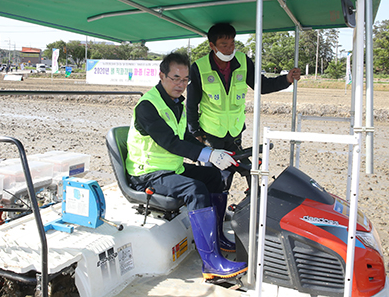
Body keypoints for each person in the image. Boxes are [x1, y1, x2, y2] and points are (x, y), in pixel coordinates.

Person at [126, 52, 247, 279]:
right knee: (195, 189)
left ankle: (218, 237)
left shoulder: (175, 103)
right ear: (161, 75)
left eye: (185, 80)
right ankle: (211, 264)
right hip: (147, 173)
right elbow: (170, 142)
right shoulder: (147, 106)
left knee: (216, 178)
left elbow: (183, 137)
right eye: (175, 78)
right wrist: (206, 154)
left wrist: (212, 151)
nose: (181, 85)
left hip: (171, 168)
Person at [187, 23, 301, 190]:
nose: (229, 49)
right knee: (213, 177)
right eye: (223, 45)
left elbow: (261, 85)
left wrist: (286, 80)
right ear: (212, 46)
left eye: (232, 43)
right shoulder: (199, 67)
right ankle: (215, 207)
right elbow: (191, 104)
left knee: (234, 172)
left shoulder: (243, 61)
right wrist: (195, 133)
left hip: (234, 131)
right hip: (210, 133)